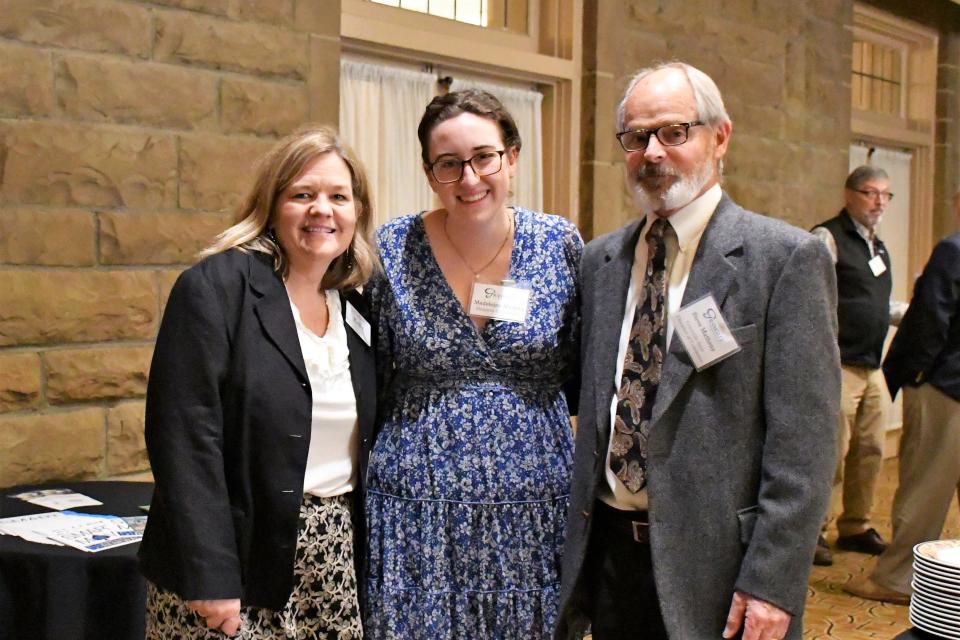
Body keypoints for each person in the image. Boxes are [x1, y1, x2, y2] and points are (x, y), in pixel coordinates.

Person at [556, 62, 840, 640]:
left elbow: (805, 446)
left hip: (723, 573)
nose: (653, 152)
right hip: (613, 559)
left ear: (720, 136)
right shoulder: (601, 262)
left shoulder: (782, 260)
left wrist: (772, 582)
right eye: (636, 138)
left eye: (673, 132)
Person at [138, 125, 378, 639]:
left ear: (357, 211)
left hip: (331, 558)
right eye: (302, 195)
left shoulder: (356, 305)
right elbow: (184, 439)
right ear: (271, 205)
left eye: (339, 196)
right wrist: (211, 576)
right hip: (233, 560)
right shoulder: (216, 288)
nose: (323, 210)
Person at [364, 89, 582, 639]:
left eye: (484, 157)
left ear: (511, 157)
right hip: (418, 507)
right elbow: (373, 369)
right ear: (428, 172)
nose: (469, 179)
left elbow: (580, 364)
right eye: (449, 164)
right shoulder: (392, 248)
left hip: (534, 508)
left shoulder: (559, 244)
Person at [844, 187, 960, 604]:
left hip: (945, 387)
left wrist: (902, 376)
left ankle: (897, 579)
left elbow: (931, 322)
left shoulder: (953, 250)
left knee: (923, 488)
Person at [811, 166, 907, 566]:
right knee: (830, 452)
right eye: (870, 193)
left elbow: (874, 305)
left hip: (872, 365)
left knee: (871, 448)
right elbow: (812, 297)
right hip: (837, 364)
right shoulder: (828, 237)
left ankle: (855, 526)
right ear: (849, 194)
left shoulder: (877, 247)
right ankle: (814, 529)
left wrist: (909, 314)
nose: (879, 202)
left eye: (885, 195)